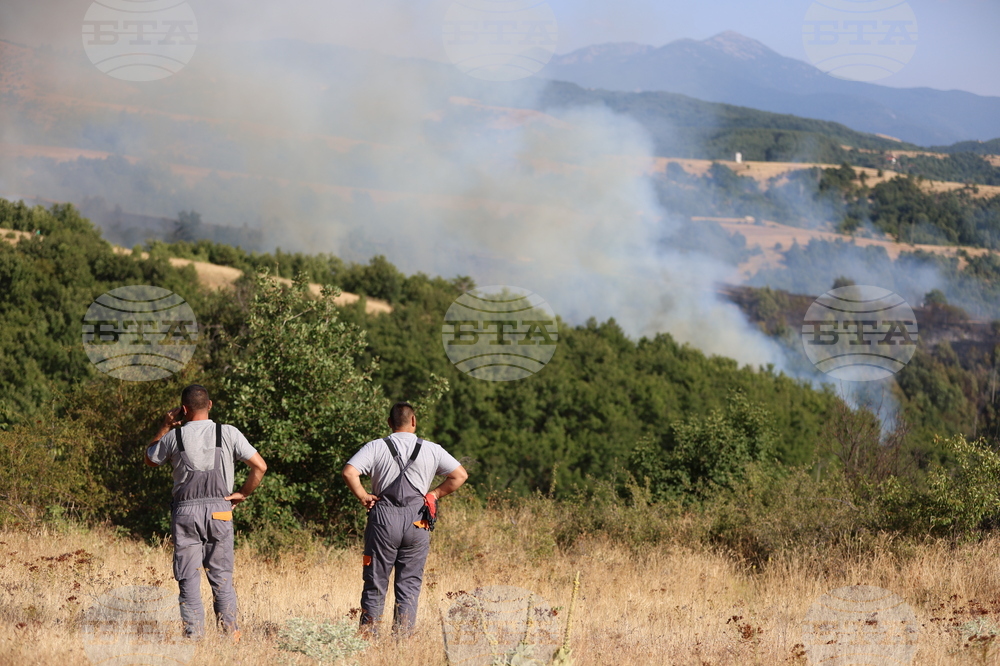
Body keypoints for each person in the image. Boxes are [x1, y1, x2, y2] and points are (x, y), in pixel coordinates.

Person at [145, 384, 267, 641]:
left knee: (188, 577)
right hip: (221, 511)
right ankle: (231, 634)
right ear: (210, 405)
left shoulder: (172, 437)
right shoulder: (229, 432)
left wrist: (165, 426)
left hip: (185, 514)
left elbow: (150, 459)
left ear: (184, 409)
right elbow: (260, 466)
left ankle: (194, 638)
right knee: (221, 576)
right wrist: (243, 493)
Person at [343, 402, 468, 634]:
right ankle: (403, 643)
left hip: (383, 520)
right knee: (409, 584)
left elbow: (349, 472)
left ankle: (369, 638)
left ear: (389, 423)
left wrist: (363, 495)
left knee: (376, 582)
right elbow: (460, 475)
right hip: (418, 521)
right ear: (413, 421)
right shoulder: (433, 449)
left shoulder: (376, 446)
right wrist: (434, 494)